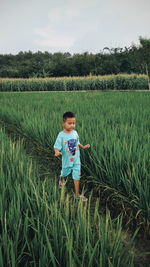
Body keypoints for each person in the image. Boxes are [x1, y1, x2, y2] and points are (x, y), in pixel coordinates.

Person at [54, 111, 90, 202]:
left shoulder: (75, 132)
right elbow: (56, 146)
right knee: (64, 173)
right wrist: (57, 152)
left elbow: (77, 142)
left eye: (73, 123)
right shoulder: (61, 135)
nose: (72, 125)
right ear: (63, 123)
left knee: (77, 176)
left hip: (76, 160)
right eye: (69, 123)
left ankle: (77, 194)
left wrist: (83, 146)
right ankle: (61, 179)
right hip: (67, 160)